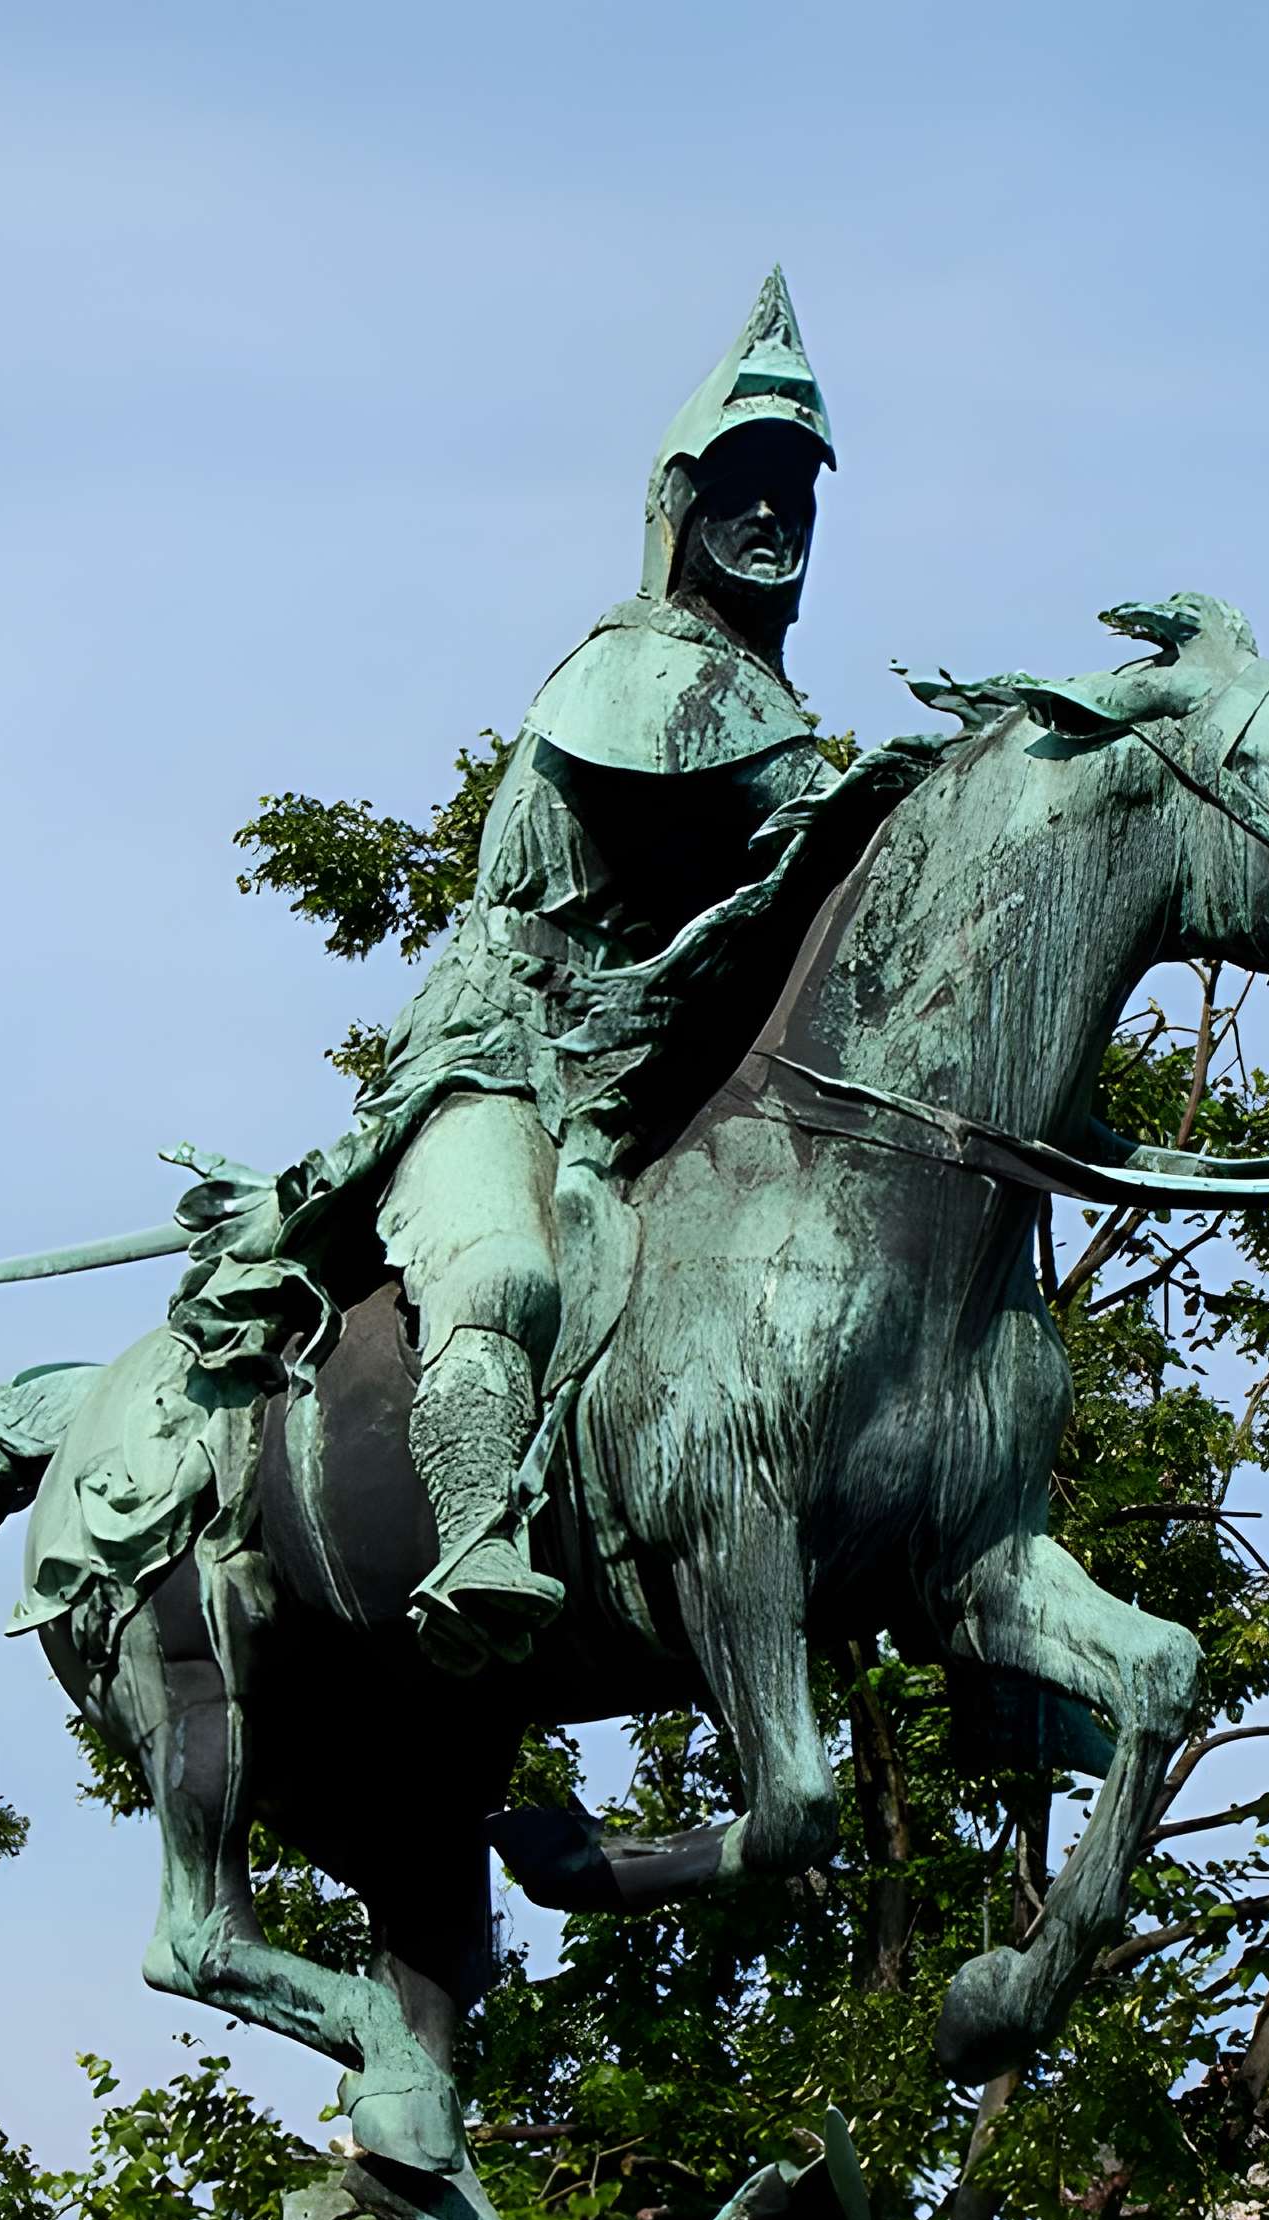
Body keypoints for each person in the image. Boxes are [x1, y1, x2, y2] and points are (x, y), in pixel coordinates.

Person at [176, 268, 837, 1675]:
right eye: (742, 484)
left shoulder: (759, 701)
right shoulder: (640, 669)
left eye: (797, 489)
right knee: (508, 1271)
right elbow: (809, 862)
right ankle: (476, 1529)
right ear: (678, 510)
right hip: (506, 1046)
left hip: (645, 1059)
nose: (774, 513)